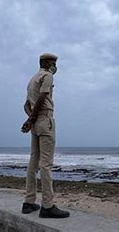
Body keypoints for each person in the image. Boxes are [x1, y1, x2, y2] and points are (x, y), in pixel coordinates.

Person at [21, 53, 70, 218]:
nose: (55, 66)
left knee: (33, 162)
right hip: (44, 119)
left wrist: (30, 119)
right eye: (53, 62)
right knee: (46, 164)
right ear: (46, 63)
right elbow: (43, 96)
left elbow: (26, 105)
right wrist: (34, 118)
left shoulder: (32, 79)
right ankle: (47, 206)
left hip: (35, 123)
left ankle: (28, 202)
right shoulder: (47, 76)